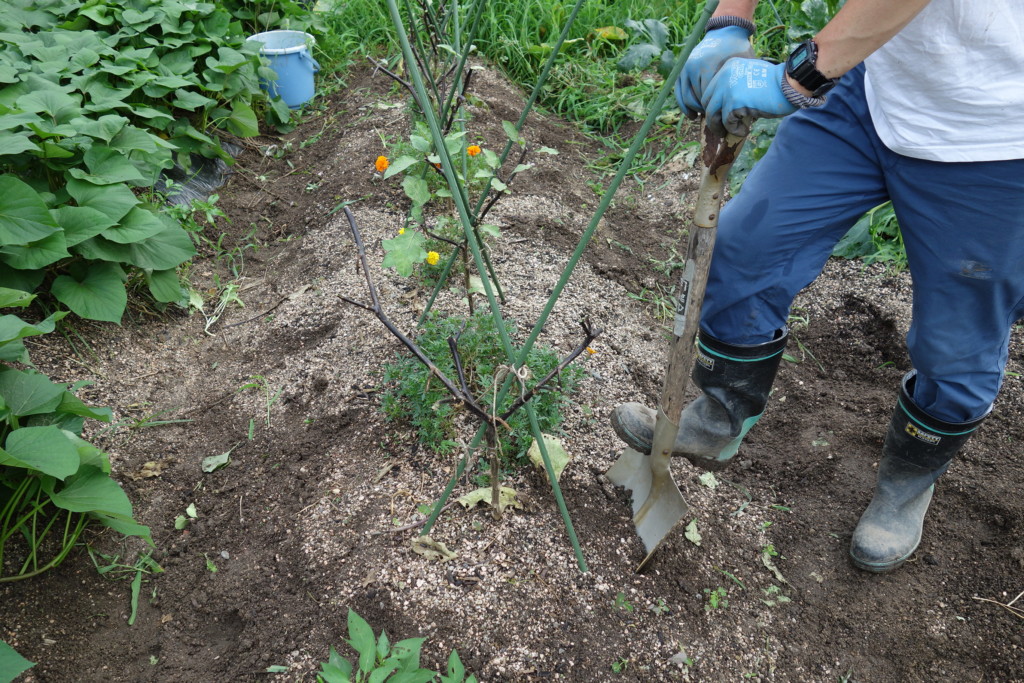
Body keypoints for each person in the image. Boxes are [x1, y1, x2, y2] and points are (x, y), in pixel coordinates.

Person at [611, 0, 1024, 573]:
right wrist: (732, 19)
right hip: (869, 88)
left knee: (956, 343)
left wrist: (800, 75)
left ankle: (908, 480)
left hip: (996, 137)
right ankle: (723, 412)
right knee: (744, 247)